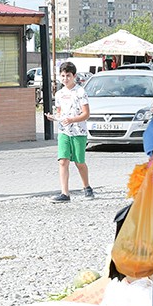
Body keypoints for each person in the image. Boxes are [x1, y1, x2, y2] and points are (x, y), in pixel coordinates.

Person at [43, 61, 94, 202]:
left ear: (74, 76)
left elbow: (86, 114)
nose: (65, 78)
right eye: (63, 75)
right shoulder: (59, 94)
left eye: (68, 75)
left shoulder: (80, 92)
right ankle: (65, 193)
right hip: (64, 132)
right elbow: (59, 113)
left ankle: (87, 186)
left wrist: (72, 119)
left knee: (79, 162)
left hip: (79, 132)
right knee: (63, 161)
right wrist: (53, 117)